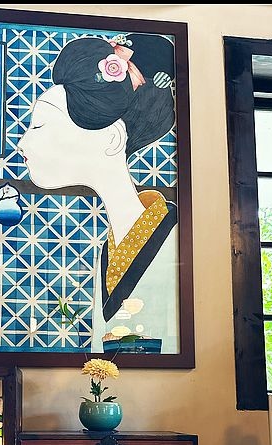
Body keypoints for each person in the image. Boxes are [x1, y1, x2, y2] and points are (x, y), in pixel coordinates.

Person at [17, 33, 180, 354]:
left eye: (39, 125)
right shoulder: (109, 248)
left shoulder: (177, 243)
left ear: (111, 139)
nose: (23, 143)